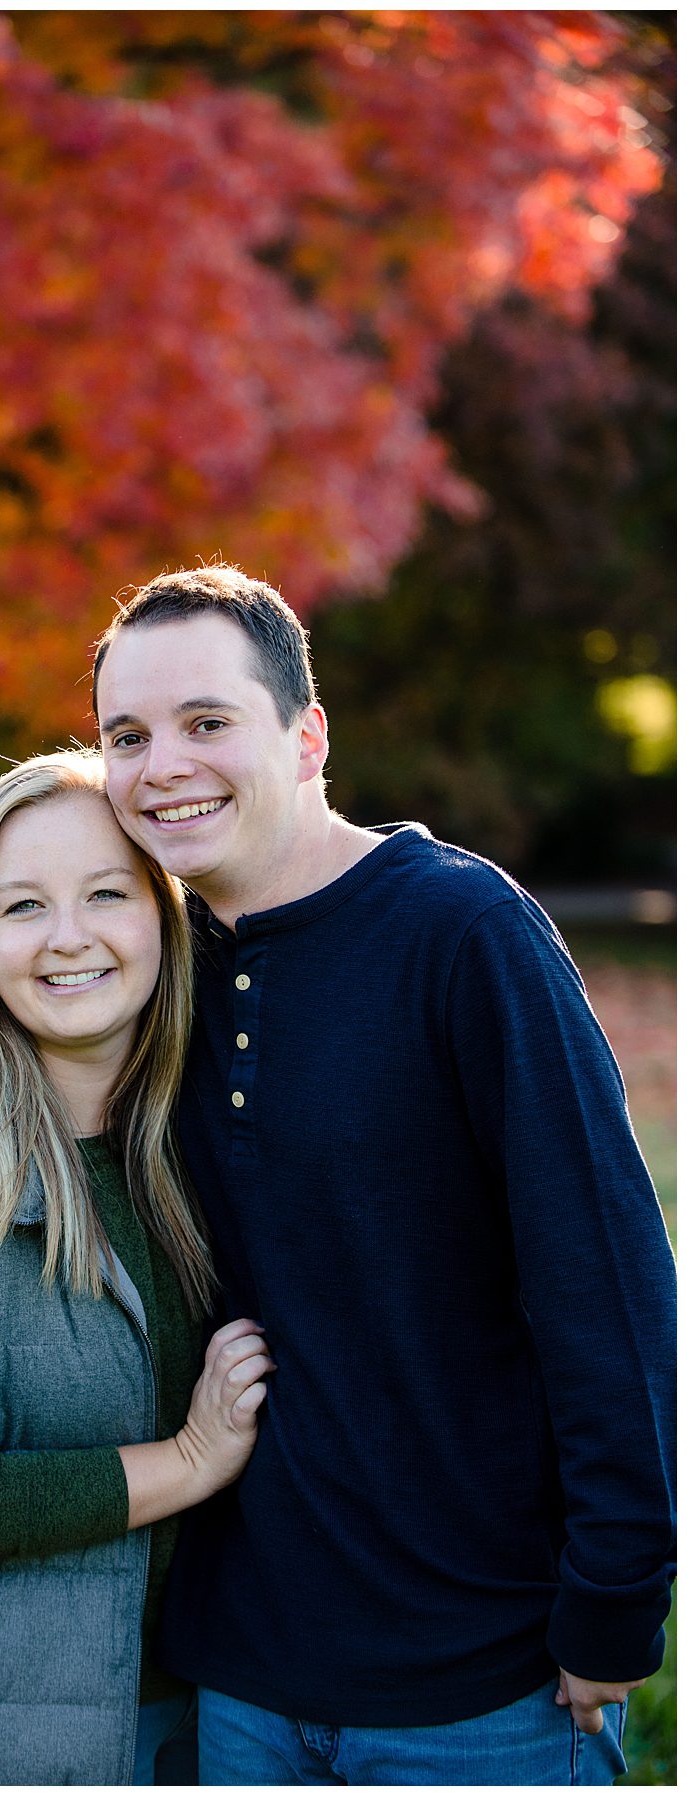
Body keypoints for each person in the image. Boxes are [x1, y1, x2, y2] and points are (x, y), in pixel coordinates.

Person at [92, 564, 676, 1784]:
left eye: (208, 722)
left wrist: (618, 1594)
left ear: (307, 737)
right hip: (244, 1677)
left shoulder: (465, 935)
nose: (163, 765)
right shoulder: (157, 965)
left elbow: (607, 1279)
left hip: (482, 1681)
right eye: (127, 736)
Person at [0, 750, 272, 1785]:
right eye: (22, 904)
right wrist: (192, 1457)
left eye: (106, 893)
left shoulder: (190, 1144)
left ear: (164, 919)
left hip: (205, 1698)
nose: (68, 936)